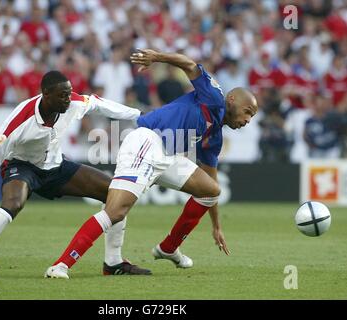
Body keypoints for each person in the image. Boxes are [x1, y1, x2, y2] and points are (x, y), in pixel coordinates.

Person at [45, 49, 258, 279]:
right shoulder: (214, 96)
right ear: (232, 99)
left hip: (168, 155)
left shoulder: (214, 136)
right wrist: (157, 57)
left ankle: (167, 248)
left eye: (251, 117)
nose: (247, 120)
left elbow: (211, 179)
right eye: (247, 112)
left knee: (210, 190)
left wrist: (216, 225)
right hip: (148, 141)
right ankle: (61, 265)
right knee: (115, 210)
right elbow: (189, 65)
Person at [0, 71, 151, 278]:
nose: (68, 99)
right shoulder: (21, 119)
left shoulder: (73, 103)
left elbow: (98, 104)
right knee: (13, 204)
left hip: (56, 167)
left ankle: (113, 263)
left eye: (69, 93)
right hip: (23, 166)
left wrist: (140, 115)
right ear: (46, 94)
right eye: (63, 95)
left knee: (115, 193)